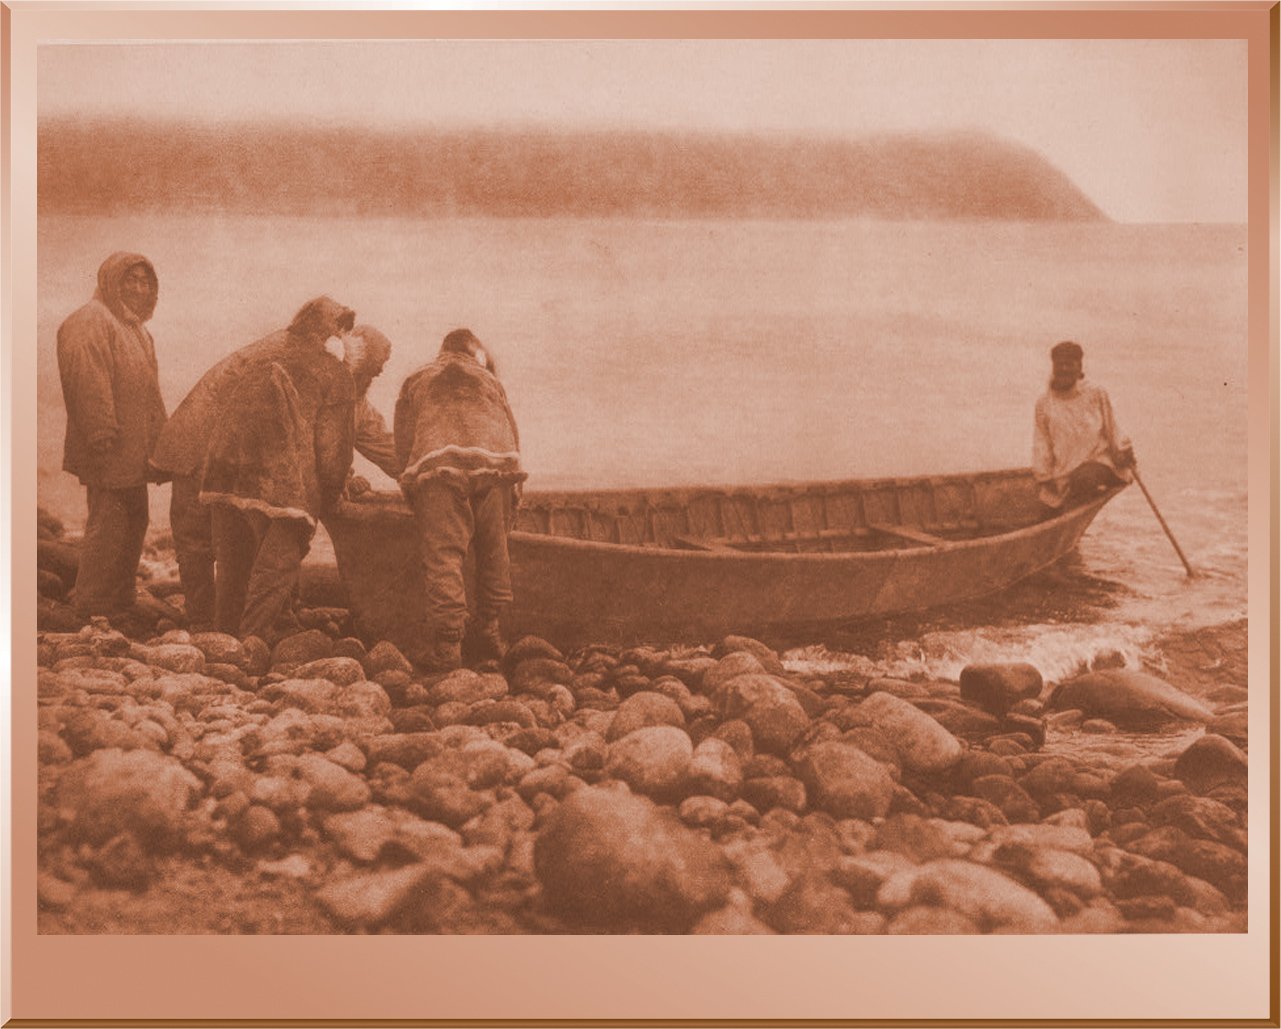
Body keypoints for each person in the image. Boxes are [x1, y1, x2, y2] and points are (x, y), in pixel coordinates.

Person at [150, 320, 397, 627]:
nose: (380, 373)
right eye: (376, 365)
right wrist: (335, 486)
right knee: (201, 542)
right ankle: (209, 625)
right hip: (202, 446)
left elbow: (379, 443)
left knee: (238, 545)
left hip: (239, 465)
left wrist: (416, 472)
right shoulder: (315, 371)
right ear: (357, 359)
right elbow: (318, 442)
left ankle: (233, 628)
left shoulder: (347, 391)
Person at [196, 296, 356, 642]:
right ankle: (253, 639)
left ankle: (223, 638)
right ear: (332, 334)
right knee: (283, 550)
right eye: (342, 331)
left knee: (235, 553)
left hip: (223, 468)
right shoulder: (334, 371)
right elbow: (332, 451)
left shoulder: (267, 354)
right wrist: (331, 493)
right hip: (280, 475)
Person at [394, 328, 525, 671]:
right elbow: (511, 432)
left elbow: (404, 441)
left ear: (443, 351)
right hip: (495, 468)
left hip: (440, 470)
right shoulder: (489, 380)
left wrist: (410, 485)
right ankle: (490, 632)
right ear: (474, 353)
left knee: (444, 557)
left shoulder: (416, 379)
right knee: (495, 549)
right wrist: (514, 491)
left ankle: (449, 648)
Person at [56, 252, 167, 621]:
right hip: (107, 448)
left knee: (135, 520)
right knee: (107, 524)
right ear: (111, 282)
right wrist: (101, 431)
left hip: (132, 453)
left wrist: (163, 445)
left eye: (144, 281)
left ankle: (120, 599)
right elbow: (87, 381)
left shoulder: (134, 328)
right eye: (130, 280)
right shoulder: (91, 321)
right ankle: (92, 604)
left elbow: (148, 393)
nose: (138, 288)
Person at [1033, 340, 1134, 512]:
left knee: (1083, 479)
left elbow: (1112, 427)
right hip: (1064, 470)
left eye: (1069, 364)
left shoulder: (1095, 393)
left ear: (1079, 367)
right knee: (1046, 509)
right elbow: (1042, 442)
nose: (1064, 369)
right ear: (1053, 367)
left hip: (1099, 463)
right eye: (1059, 365)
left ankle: (1072, 507)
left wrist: (1123, 450)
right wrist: (1044, 477)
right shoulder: (1044, 403)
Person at [341, 324, 402, 492]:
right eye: (377, 365)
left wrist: (421, 472)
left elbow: (387, 448)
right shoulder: (328, 395)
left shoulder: (359, 405)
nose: (380, 371)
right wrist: (345, 479)